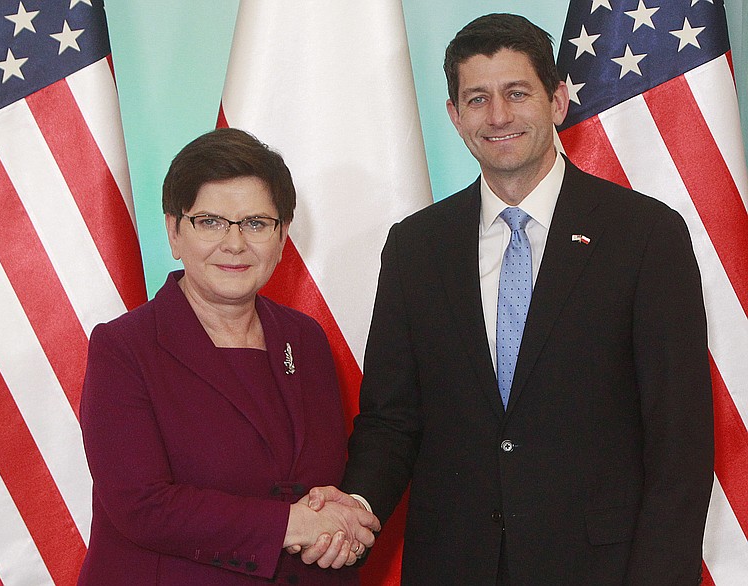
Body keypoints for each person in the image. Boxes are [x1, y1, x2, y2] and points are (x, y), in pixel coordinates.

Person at [301, 13, 714, 585]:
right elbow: (392, 419)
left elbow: (680, 442)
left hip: (602, 569)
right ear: (454, 115)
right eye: (477, 99)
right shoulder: (417, 247)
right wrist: (358, 508)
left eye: (517, 93)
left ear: (558, 101)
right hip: (453, 565)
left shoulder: (644, 236)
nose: (498, 115)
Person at [77, 128, 380, 585]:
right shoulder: (124, 349)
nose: (235, 243)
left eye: (256, 223)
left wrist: (337, 523)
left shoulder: (306, 339)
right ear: (174, 232)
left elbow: (319, 482)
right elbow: (141, 505)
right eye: (211, 221)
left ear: (281, 239)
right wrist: (293, 525)